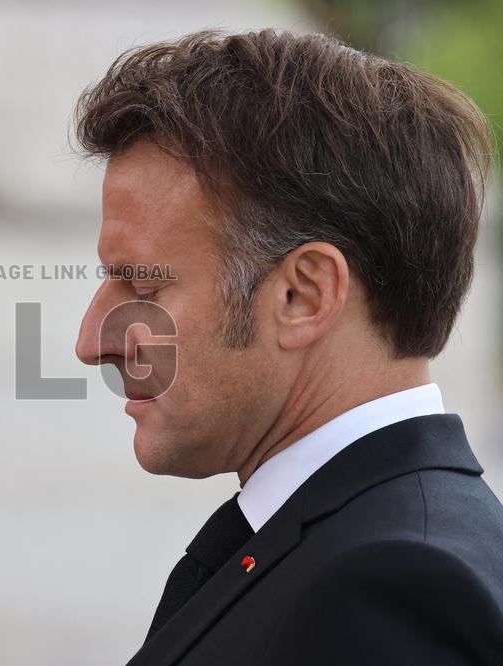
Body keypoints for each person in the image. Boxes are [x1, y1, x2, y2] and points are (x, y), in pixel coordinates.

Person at [73, 29, 503, 664]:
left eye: (142, 286)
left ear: (303, 295)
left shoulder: (389, 590)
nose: (92, 342)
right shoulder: (349, 545)